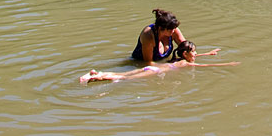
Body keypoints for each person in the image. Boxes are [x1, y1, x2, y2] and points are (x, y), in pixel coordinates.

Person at [81, 41, 236, 83]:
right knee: (123, 78)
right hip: (155, 71)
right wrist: (227, 64)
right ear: (185, 54)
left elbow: (195, 57)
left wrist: (208, 53)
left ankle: (98, 73)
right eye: (194, 52)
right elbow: (204, 65)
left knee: (123, 74)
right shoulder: (186, 63)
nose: (195, 54)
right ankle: (96, 78)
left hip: (150, 68)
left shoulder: (178, 59)